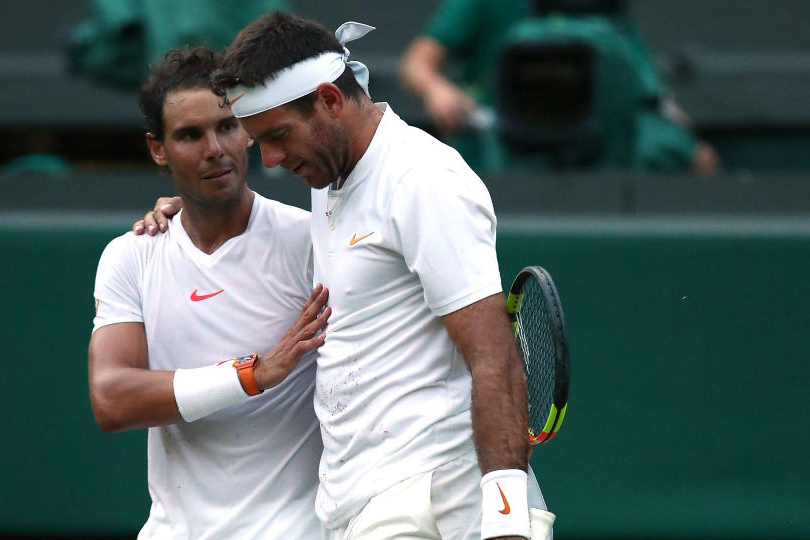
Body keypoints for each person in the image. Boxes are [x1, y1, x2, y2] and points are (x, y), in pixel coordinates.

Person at [139, 12, 551, 540]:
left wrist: (505, 521)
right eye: (259, 140)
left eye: (280, 135)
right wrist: (193, 206)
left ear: (331, 101)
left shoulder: (422, 180)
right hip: (361, 506)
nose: (271, 158)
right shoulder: (330, 174)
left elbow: (494, 357)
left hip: (441, 503)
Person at [87, 46, 331, 539]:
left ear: (246, 129)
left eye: (226, 126)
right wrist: (251, 375)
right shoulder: (130, 256)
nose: (214, 148)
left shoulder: (312, 243)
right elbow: (111, 399)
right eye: (190, 135)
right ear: (159, 149)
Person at [398, 0, 719, 175]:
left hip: (601, 154)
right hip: (504, 145)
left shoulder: (604, 8)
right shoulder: (482, 4)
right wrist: (437, 90)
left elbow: (645, 89)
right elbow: (416, 64)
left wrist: (680, 136)